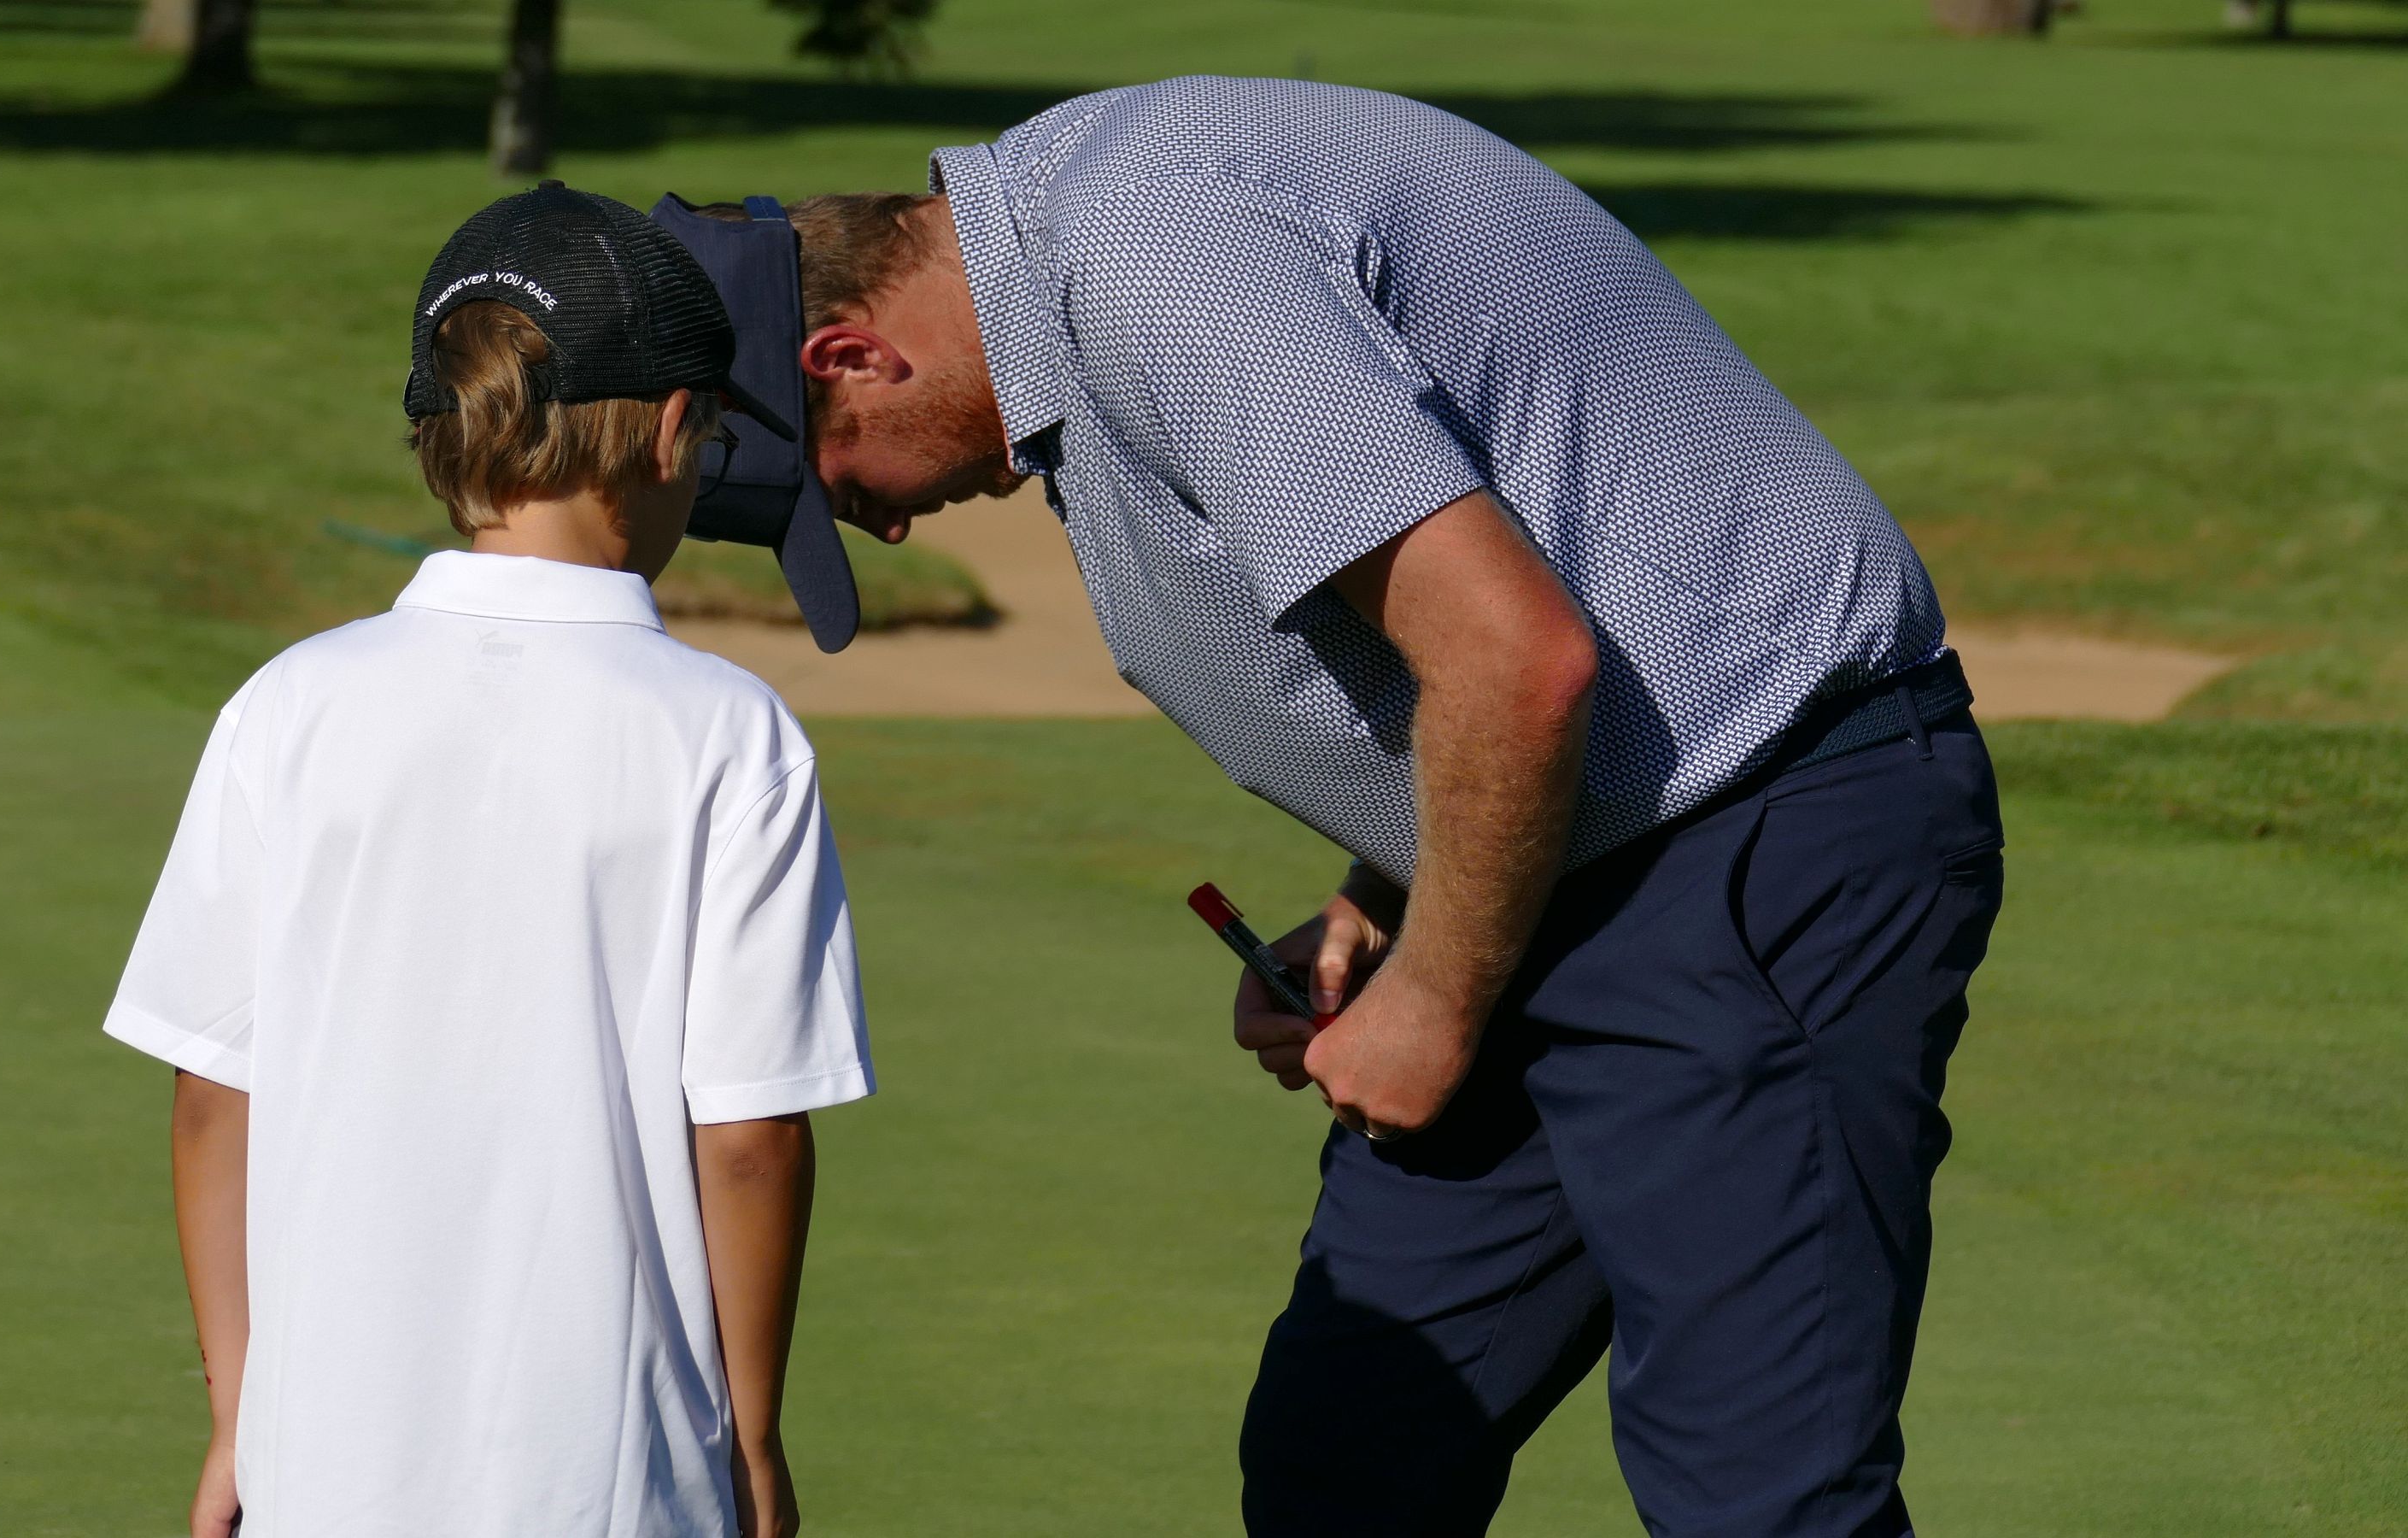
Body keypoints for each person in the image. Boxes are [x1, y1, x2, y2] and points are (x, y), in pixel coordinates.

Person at [779, 78, 2002, 1537]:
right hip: (1585, 850)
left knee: (1759, 1494)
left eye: (845, 488)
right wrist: (1391, 894)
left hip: (1757, 833)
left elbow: (1520, 660)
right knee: (1348, 1461)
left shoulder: (1142, 252)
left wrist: (1431, 997)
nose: (892, 520)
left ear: (854, 354)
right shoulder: (1073, 248)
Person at [102, 185, 873, 1538]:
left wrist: (241, 1416)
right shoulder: (730, 733)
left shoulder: (288, 703)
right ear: (679, 430)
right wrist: (751, 1441)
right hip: (619, 1478)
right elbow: (748, 1138)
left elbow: (213, 1100)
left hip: (319, 1468)